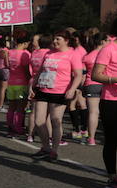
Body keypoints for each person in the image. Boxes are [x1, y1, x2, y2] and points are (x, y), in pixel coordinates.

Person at [28, 29, 84, 161]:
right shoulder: (48, 53)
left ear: (66, 41)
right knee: (39, 121)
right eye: (54, 38)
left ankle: (54, 150)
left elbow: (78, 75)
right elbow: (40, 71)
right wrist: (32, 86)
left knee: (55, 121)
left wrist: (72, 89)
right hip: (43, 89)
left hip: (60, 91)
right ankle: (46, 147)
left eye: (58, 39)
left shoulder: (72, 54)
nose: (55, 41)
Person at [92, 21, 117, 188]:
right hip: (111, 101)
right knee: (113, 140)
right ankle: (112, 176)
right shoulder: (109, 49)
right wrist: (115, 79)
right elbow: (96, 75)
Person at [4, 31, 32, 138]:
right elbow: (26, 70)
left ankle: (10, 126)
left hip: (11, 83)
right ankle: (18, 127)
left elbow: (7, 65)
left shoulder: (9, 52)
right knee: (20, 108)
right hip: (22, 84)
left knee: (11, 107)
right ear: (25, 43)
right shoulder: (25, 54)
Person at [82, 33, 106, 146]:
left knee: (93, 112)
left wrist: (82, 87)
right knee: (109, 112)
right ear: (102, 41)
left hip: (91, 84)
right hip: (107, 84)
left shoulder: (87, 56)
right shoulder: (108, 54)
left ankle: (91, 139)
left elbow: (83, 73)